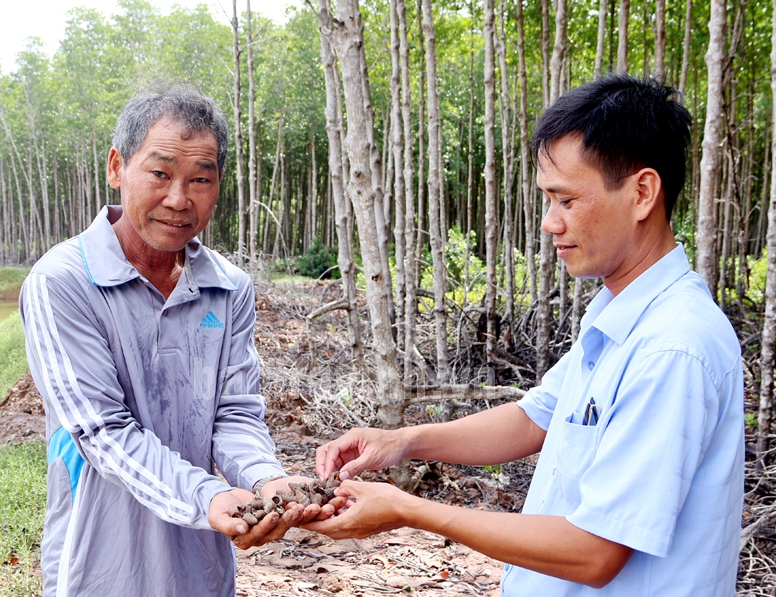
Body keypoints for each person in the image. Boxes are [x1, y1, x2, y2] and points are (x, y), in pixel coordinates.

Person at [307, 75, 744, 596]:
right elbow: (535, 417)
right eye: (547, 200)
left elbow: (596, 552)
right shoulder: (619, 317)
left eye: (565, 201)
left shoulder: (674, 347)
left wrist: (410, 511)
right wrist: (403, 442)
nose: (549, 223)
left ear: (642, 193)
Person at [20, 86, 330, 597]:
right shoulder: (63, 282)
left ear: (218, 184)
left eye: (200, 179)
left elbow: (235, 414)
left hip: (202, 562)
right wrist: (207, 495)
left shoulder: (228, 288)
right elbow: (102, 431)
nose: (179, 199)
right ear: (117, 167)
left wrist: (265, 482)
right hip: (100, 563)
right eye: (160, 173)